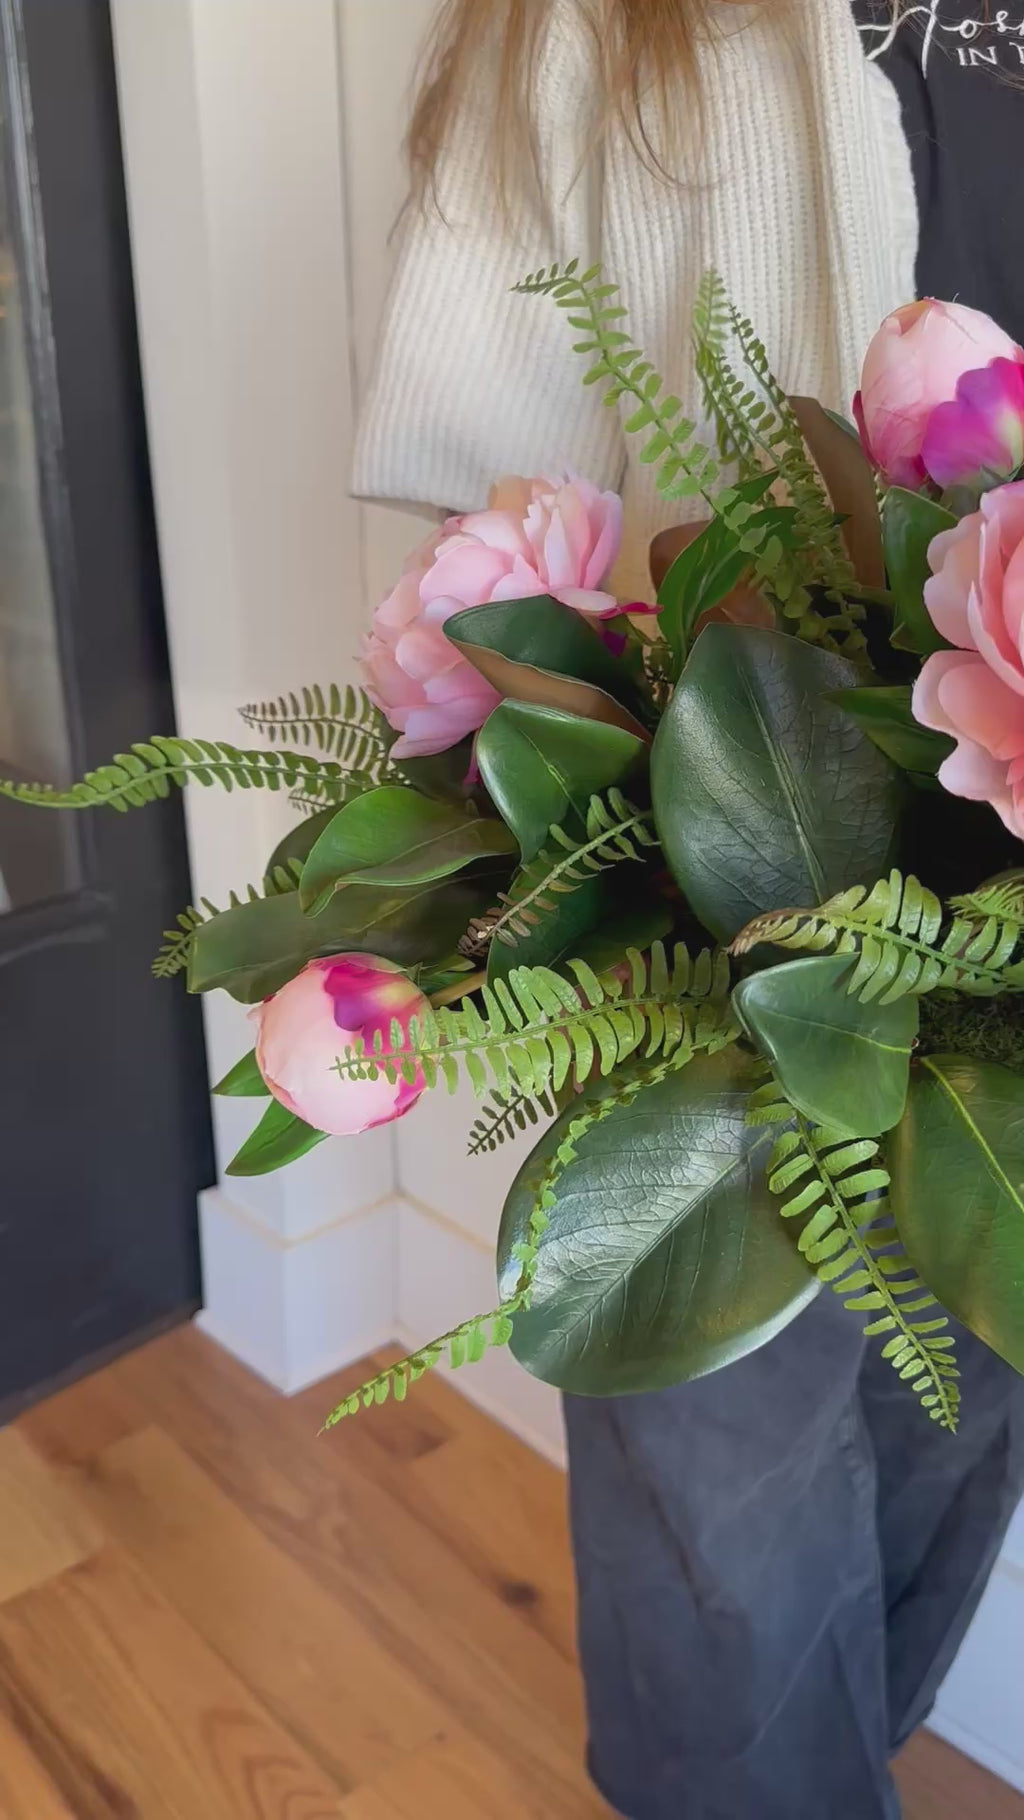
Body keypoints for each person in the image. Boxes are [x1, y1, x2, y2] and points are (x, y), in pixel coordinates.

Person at [353, 4, 1024, 1815]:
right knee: (718, 1482)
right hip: (733, 871)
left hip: (1008, 894)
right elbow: (496, 478)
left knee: (962, 1400)